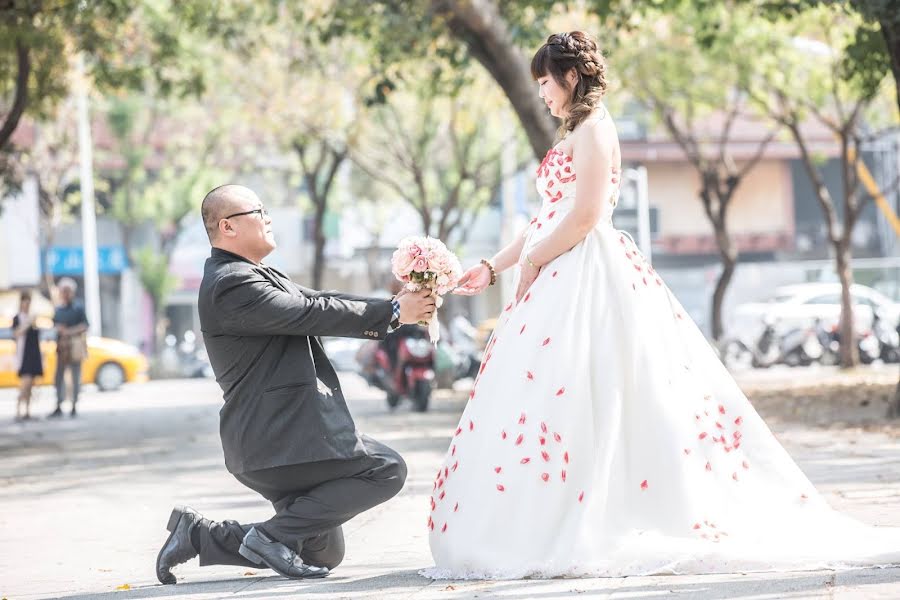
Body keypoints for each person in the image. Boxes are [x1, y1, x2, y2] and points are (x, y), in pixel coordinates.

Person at [423, 31, 900, 579]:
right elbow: (545, 221)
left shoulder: (598, 131)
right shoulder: (572, 133)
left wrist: (533, 264)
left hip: (588, 274)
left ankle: (595, 514)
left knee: (599, 391)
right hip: (558, 269)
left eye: (545, 83)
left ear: (571, 77)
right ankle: (548, 511)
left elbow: (584, 218)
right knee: (554, 401)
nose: (542, 95)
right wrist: (492, 267)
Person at [155, 184, 435, 584]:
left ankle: (199, 535)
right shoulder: (230, 284)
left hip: (281, 439)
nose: (268, 218)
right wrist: (391, 312)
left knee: (322, 549)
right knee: (386, 469)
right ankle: (269, 536)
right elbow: (309, 311)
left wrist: (397, 307)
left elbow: (322, 298)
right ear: (227, 227)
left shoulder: (255, 274)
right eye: (259, 211)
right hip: (279, 439)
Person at [49, 277, 88, 418]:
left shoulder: (78, 308)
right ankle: (59, 404)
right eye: (63, 291)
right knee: (59, 376)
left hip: (75, 347)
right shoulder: (58, 309)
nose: (65, 293)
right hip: (61, 348)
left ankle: (74, 405)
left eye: (68, 291)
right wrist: (59, 329)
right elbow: (53, 325)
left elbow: (85, 325)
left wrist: (69, 331)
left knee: (75, 376)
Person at [12, 290, 44, 421]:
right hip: (23, 354)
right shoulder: (18, 318)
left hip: (33, 353)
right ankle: (19, 409)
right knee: (25, 383)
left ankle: (28, 411)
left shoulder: (33, 317)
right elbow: (16, 334)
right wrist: (28, 322)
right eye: (25, 301)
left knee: (31, 384)